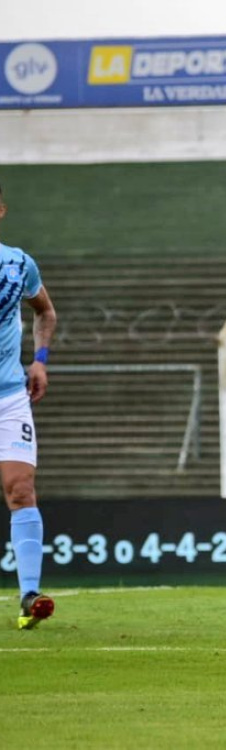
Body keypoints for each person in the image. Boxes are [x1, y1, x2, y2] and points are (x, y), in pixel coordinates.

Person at [0, 183, 58, 629]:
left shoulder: (18, 264)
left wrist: (39, 360)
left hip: (9, 397)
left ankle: (29, 595)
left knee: (20, 490)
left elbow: (45, 311)